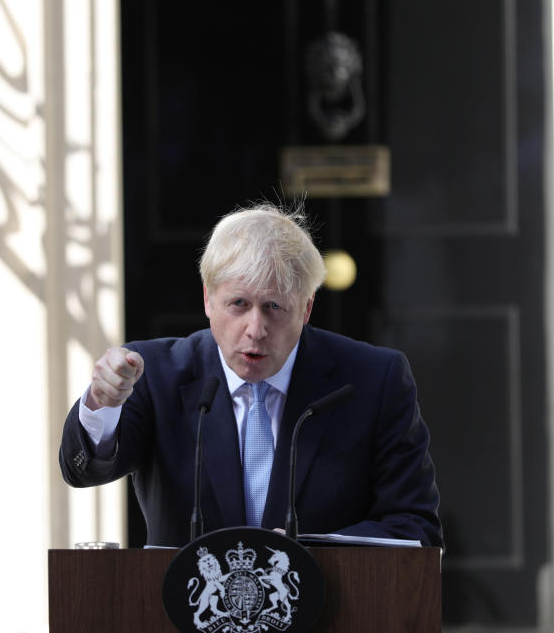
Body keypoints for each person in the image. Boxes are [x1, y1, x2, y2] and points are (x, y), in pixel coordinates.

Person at [58, 203, 443, 548]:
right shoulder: (155, 373)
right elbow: (83, 470)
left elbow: (414, 528)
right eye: (238, 304)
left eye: (274, 307)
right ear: (208, 298)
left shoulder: (374, 379)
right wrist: (102, 405)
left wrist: (311, 552)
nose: (255, 329)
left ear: (307, 308)